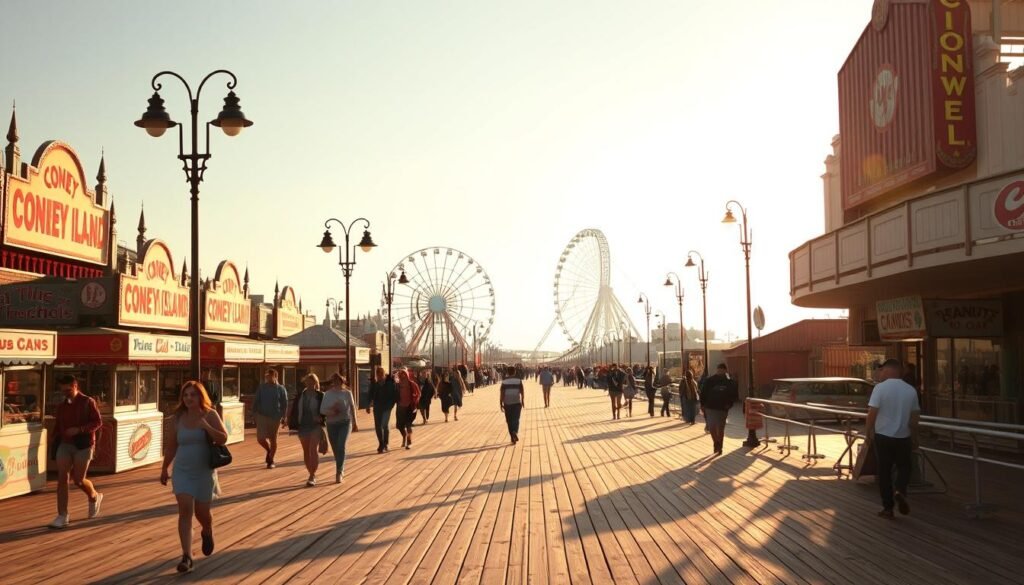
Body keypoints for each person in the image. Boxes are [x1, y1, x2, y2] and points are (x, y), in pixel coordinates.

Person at [160, 380, 228, 574]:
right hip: (182, 471)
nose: (189, 398)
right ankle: (187, 556)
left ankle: (207, 531)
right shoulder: (178, 418)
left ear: (200, 396)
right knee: (185, 510)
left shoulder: (210, 414)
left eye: (193, 394)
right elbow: (172, 445)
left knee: (202, 513)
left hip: (204, 471)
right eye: (186, 395)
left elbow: (223, 438)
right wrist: (165, 468)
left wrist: (206, 425)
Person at [866, 358, 921, 519]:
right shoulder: (910, 390)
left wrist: (868, 433)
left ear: (890, 370)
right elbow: (914, 417)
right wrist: (915, 437)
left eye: (882, 370)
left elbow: (872, 413)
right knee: (905, 467)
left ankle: (888, 508)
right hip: (904, 436)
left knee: (884, 471)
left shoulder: (880, 389)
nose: (880, 373)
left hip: (883, 436)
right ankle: (901, 490)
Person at [48, 374, 103, 530]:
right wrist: (53, 439)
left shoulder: (87, 402)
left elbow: (98, 422)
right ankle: (62, 515)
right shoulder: (62, 406)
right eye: (62, 390)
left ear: (75, 385)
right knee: (62, 478)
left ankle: (94, 496)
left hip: (83, 445)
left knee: (78, 480)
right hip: (65, 444)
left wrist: (80, 430)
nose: (65, 393)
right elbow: (59, 425)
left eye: (68, 390)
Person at [288, 374, 325, 487]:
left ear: (316, 383)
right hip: (303, 425)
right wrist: (288, 421)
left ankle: (312, 475)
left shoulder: (320, 396)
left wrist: (322, 418)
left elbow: (325, 410)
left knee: (313, 449)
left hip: (316, 426)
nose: (310, 384)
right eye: (308, 382)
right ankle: (310, 472)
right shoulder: (301, 396)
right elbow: (294, 410)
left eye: (312, 382)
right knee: (306, 451)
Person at [321, 373, 357, 483]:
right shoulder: (327, 394)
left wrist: (355, 422)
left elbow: (352, 407)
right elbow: (322, 410)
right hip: (332, 423)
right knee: (336, 449)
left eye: (339, 380)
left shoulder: (347, 393)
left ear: (342, 381)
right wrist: (332, 411)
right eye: (335, 380)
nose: (337, 382)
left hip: (345, 422)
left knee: (341, 446)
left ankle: (339, 471)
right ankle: (340, 464)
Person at [253, 369, 288, 469]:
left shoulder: (281, 389)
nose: (267, 377)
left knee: (273, 439)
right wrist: (254, 413)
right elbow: (256, 401)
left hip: (275, 417)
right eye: (266, 376)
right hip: (262, 415)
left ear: (275, 376)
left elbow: (284, 404)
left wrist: (285, 417)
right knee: (260, 438)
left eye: (270, 376)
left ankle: (271, 460)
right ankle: (269, 451)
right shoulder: (262, 388)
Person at [700, 364, 738, 454]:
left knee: (720, 428)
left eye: (722, 370)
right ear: (717, 370)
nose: (720, 371)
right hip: (710, 407)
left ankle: (720, 445)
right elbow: (703, 393)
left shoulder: (729, 382)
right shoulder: (710, 381)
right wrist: (702, 404)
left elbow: (733, 395)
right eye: (719, 370)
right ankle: (716, 442)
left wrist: (729, 404)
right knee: (712, 427)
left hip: (722, 408)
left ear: (725, 371)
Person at [367, 367, 397, 453]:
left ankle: (386, 443)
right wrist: (368, 405)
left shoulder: (390, 384)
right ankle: (381, 443)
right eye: (378, 374)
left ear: (384, 374)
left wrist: (391, 405)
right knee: (378, 426)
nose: (379, 376)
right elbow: (370, 395)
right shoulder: (375, 384)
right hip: (377, 408)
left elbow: (394, 396)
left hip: (387, 407)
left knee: (384, 424)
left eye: (381, 374)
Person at [395, 369, 421, 449]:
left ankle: (409, 442)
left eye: (404, 374)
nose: (403, 376)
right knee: (399, 426)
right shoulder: (398, 385)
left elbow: (419, 394)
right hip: (400, 408)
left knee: (408, 425)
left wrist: (415, 401)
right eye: (401, 375)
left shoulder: (412, 384)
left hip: (410, 407)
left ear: (407, 375)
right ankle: (404, 436)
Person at [500, 366, 526, 444]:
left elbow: (502, 393)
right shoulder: (518, 381)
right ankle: (515, 431)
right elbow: (522, 391)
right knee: (516, 419)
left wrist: (500, 403)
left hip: (507, 403)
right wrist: (523, 400)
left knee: (509, 420)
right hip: (517, 402)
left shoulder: (504, 381)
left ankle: (512, 435)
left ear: (507, 372)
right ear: (514, 372)